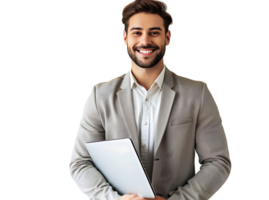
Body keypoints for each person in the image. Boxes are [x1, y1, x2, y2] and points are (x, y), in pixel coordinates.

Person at [68, 0, 233, 200]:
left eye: (154, 32)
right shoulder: (99, 95)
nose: (145, 41)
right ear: (124, 38)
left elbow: (218, 161)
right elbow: (79, 163)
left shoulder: (197, 93)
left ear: (168, 37)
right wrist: (113, 199)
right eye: (137, 32)